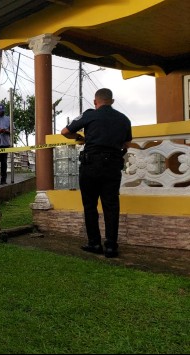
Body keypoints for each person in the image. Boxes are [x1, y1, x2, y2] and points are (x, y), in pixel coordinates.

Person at [61, 88, 132, 258]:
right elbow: (127, 143)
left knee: (90, 205)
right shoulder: (124, 119)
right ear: (112, 101)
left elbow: (65, 132)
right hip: (113, 165)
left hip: (90, 164)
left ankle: (94, 243)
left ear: (95, 101)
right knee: (111, 206)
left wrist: (81, 137)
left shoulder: (90, 114)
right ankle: (111, 247)